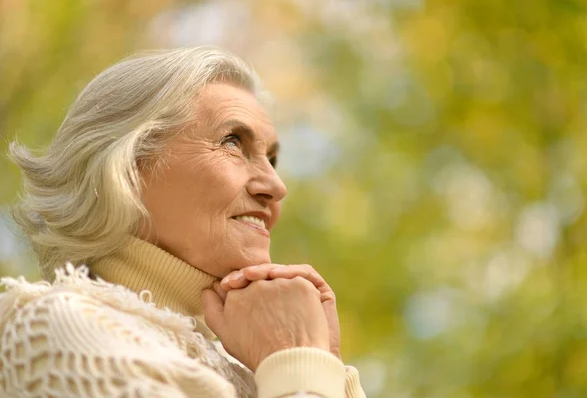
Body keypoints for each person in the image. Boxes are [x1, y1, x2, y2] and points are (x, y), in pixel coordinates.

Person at [0, 47, 366, 398]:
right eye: (233, 142)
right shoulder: (57, 329)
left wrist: (322, 361)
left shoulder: (258, 368)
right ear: (127, 167)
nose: (276, 186)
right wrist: (296, 359)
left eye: (272, 159)